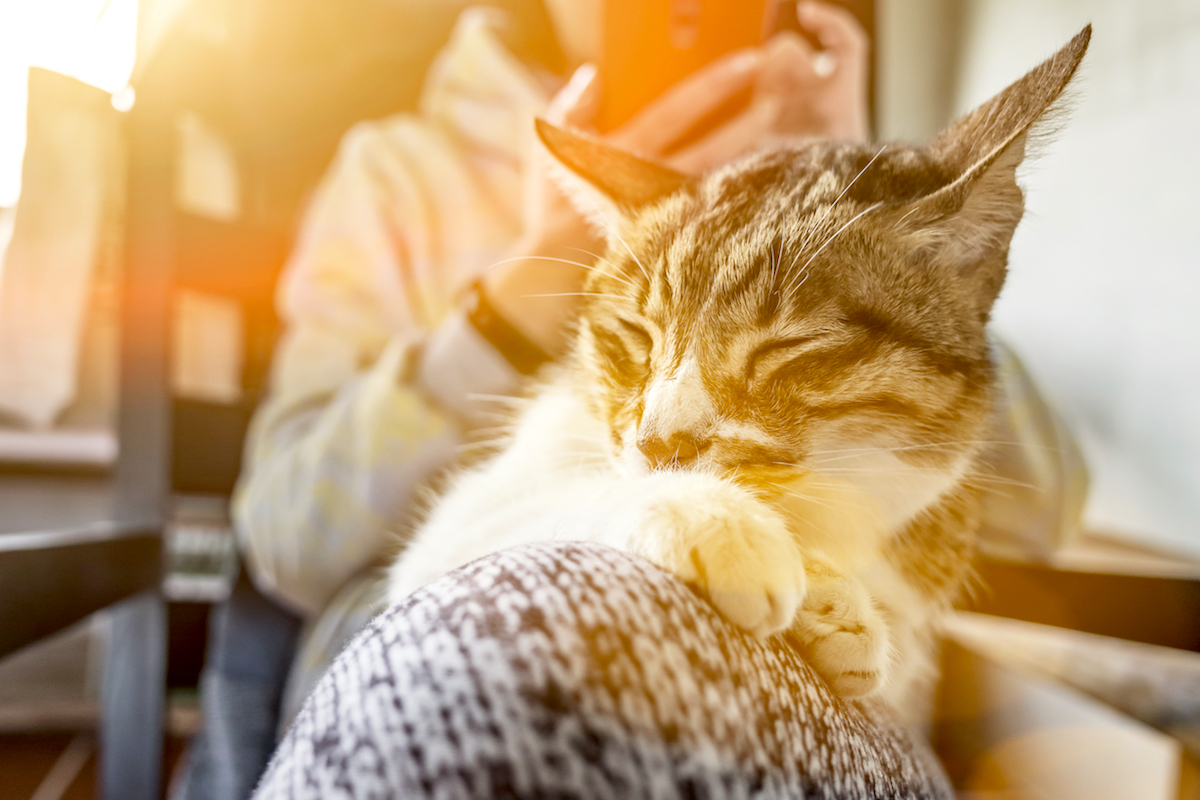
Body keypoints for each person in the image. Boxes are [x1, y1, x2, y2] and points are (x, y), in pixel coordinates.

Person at [177, 0, 1085, 796]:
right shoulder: (399, 174)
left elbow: (1043, 508)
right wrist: (510, 306)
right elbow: (289, 539)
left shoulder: (872, 194)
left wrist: (866, 199)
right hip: (441, 613)